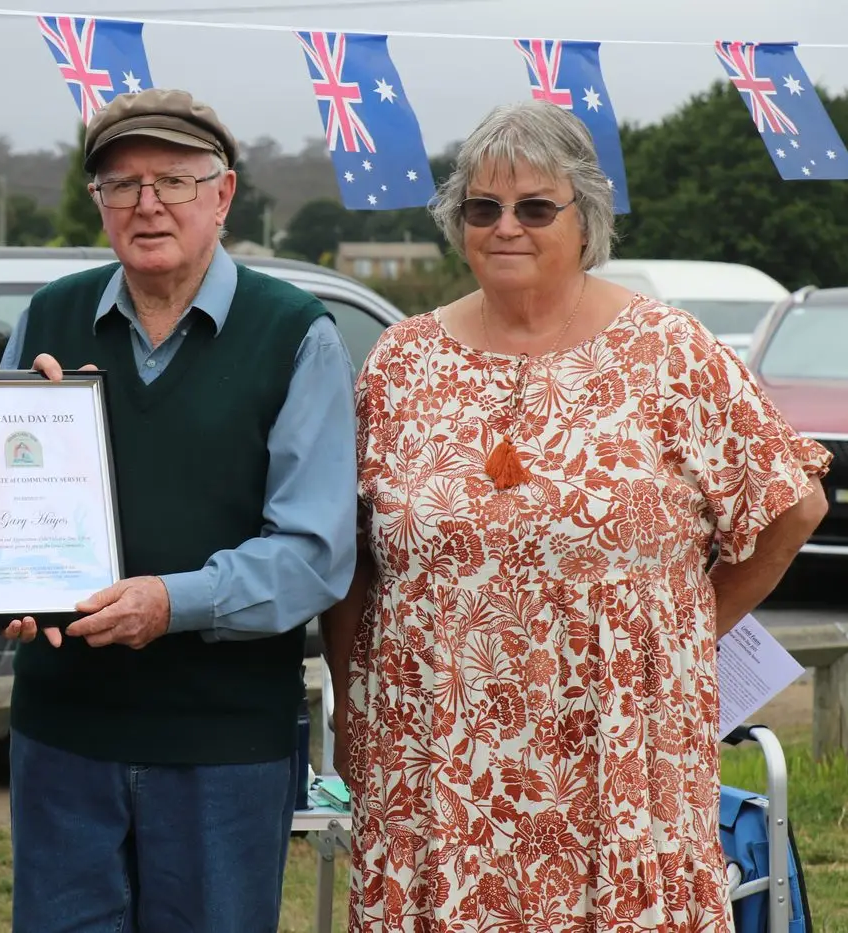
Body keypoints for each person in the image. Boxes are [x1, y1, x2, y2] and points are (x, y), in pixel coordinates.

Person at [322, 99, 831, 932]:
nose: (505, 227)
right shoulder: (400, 360)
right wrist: (352, 707)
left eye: (533, 207)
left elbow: (791, 501)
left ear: (585, 215)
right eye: (481, 208)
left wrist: (688, 627)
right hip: (437, 751)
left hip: (619, 741)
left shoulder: (668, 350)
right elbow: (353, 556)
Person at [0, 87, 359, 932]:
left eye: (173, 182)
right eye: (119, 185)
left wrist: (170, 601)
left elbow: (312, 553)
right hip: (64, 737)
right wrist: (4, 578)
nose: (146, 204)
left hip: (223, 750)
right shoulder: (49, 321)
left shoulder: (296, 335)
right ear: (97, 203)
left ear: (222, 194)